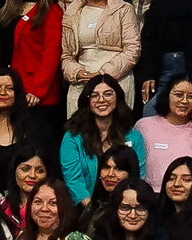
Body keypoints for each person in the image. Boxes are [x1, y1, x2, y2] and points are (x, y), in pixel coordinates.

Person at [59, 0, 140, 109]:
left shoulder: (123, 9)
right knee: (79, 130)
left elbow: (132, 50)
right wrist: (77, 72)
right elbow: (66, 56)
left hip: (116, 78)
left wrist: (104, 75)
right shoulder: (71, 12)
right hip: (82, 81)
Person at [59, 76, 145, 204]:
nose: (101, 100)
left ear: (118, 97)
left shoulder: (134, 136)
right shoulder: (72, 137)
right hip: (84, 208)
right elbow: (73, 180)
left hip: (124, 206)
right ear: (87, 100)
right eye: (94, 95)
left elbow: (138, 176)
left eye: (108, 94)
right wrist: (92, 209)